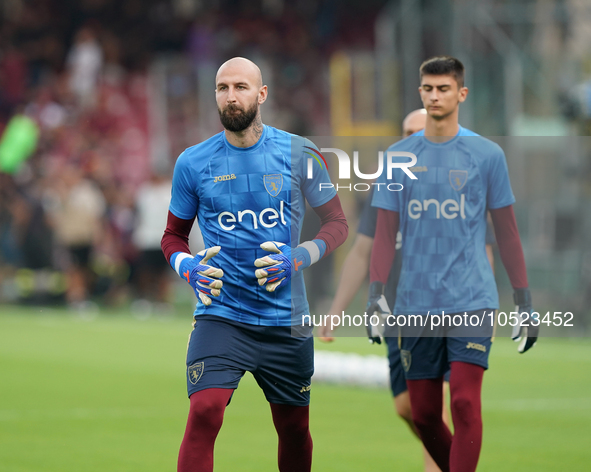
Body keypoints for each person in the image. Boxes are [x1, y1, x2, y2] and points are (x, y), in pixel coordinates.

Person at [160, 57, 348, 472]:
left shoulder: (301, 153)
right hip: (222, 314)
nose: (231, 96)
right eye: (222, 88)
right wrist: (188, 267)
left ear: (261, 94)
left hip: (286, 320)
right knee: (205, 410)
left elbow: (337, 224)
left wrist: (297, 258)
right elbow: (172, 237)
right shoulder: (193, 162)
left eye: (241, 87)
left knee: (294, 429)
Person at [366, 56, 537, 472]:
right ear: (420, 93)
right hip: (414, 305)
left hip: (471, 299)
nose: (435, 95)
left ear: (461, 93)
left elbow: (508, 232)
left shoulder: (487, 155)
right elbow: (385, 235)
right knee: (423, 414)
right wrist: (374, 296)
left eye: (444, 89)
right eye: (428, 88)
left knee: (461, 399)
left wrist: (523, 300)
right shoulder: (396, 158)